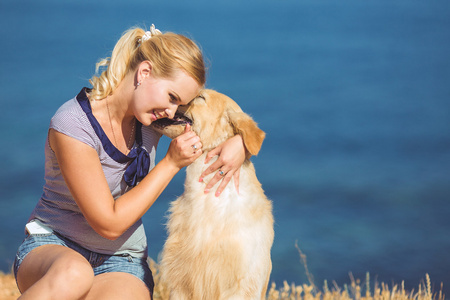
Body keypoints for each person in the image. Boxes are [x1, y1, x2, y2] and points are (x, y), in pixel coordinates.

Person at [13, 24, 247, 300]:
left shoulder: (152, 119)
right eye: (172, 97)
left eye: (180, 105)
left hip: (120, 260)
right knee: (74, 273)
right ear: (144, 72)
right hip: (54, 247)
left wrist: (241, 143)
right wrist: (171, 163)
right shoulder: (73, 125)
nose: (171, 112)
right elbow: (108, 224)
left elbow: (215, 121)